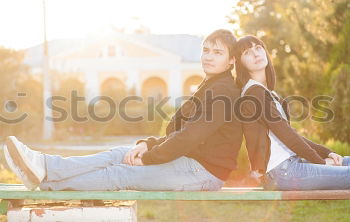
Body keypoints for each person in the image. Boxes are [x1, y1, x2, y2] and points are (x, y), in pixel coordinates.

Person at [3, 29, 243, 191]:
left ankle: (45, 181)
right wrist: (148, 144)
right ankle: (46, 165)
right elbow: (182, 133)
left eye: (218, 52)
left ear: (231, 60)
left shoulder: (223, 91)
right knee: (118, 153)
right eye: (206, 50)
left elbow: (190, 137)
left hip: (203, 172)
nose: (208, 57)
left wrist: (148, 158)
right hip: (191, 162)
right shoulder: (211, 85)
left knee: (120, 173)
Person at [233, 35, 350, 190]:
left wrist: (326, 153)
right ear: (240, 64)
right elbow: (286, 134)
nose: (255, 54)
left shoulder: (267, 92)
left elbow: (291, 134)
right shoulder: (253, 93)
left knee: (345, 161)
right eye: (247, 52)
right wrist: (321, 162)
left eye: (258, 48)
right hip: (282, 172)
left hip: (291, 165)